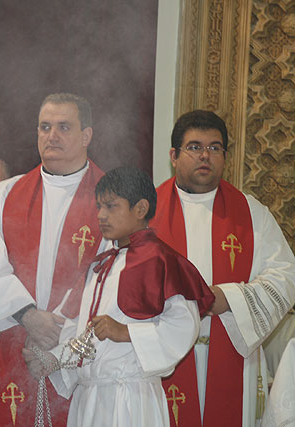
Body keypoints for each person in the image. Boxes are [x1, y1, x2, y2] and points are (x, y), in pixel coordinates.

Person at [25, 166, 214, 427]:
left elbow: (184, 327)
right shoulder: (100, 265)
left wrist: (126, 332)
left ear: (140, 209)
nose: (100, 215)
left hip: (130, 398)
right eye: (99, 206)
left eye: (111, 206)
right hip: (89, 398)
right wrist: (54, 359)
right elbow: (79, 330)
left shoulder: (161, 261)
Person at [151, 110, 295, 427]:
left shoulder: (252, 213)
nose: (205, 156)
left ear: (225, 157)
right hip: (165, 358)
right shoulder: (146, 212)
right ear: (174, 156)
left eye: (215, 148)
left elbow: (286, 278)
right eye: (195, 147)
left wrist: (229, 299)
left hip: (233, 358)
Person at [0, 93, 104, 425]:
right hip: (15, 334)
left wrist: (57, 330)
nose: (52, 136)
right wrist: (29, 317)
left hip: (76, 347)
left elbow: (106, 275)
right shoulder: (5, 194)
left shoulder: (109, 197)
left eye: (64, 127)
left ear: (86, 135)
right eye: (45, 127)